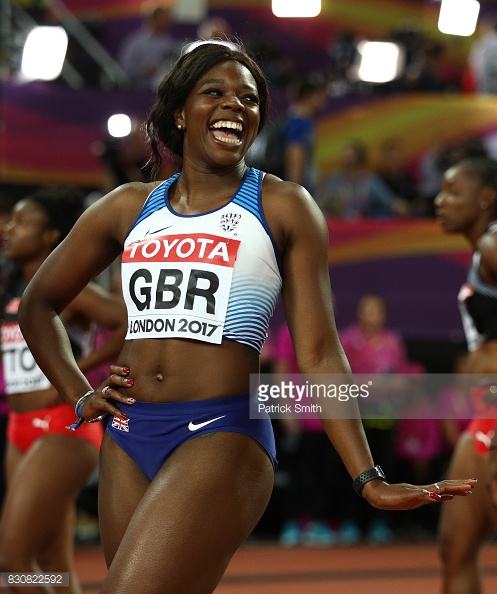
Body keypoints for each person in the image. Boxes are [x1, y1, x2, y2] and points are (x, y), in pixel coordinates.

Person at [18, 42, 476, 594]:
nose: (235, 104)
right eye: (214, 92)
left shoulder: (283, 206)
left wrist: (367, 477)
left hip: (221, 432)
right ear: (180, 112)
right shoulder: (128, 206)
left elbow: (319, 352)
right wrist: (79, 395)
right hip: (128, 434)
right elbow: (38, 305)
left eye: (250, 98)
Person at [0, 187, 127, 593]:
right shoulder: (12, 289)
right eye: (10, 221)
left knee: (11, 564)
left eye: (22, 223)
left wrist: (76, 375)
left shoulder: (68, 290)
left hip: (62, 428)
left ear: (50, 236)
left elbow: (127, 323)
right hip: (18, 429)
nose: (9, 229)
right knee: (52, 561)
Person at [435, 157, 497, 594]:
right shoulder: (483, 253)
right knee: (455, 547)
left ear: (486, 198)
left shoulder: (493, 245)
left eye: (454, 192)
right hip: (484, 418)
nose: (440, 201)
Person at [118, 3, 181, 90]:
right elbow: (125, 68)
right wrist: (144, 70)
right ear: (153, 18)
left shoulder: (170, 43)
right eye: (163, 18)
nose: (167, 22)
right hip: (136, 91)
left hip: (162, 90)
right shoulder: (134, 42)